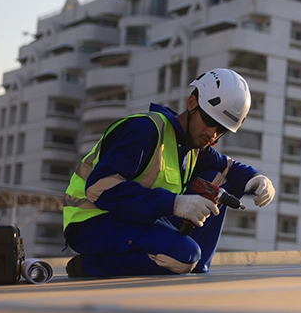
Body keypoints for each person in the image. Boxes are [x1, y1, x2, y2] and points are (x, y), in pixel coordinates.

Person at [62, 68, 275, 277]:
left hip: (131, 219)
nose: (212, 134)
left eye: (221, 130)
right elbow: (98, 188)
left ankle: (197, 267)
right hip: (91, 222)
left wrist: (255, 178)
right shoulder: (145, 131)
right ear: (192, 104)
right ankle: (88, 266)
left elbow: (228, 167)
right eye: (210, 121)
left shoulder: (194, 146)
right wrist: (175, 203)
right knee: (182, 255)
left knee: (218, 183)